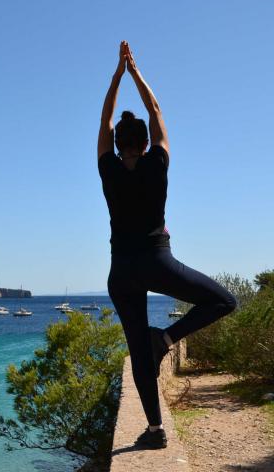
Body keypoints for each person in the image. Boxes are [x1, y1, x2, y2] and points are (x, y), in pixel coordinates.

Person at [97, 41, 237, 449]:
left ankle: (155, 430)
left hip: (121, 270)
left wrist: (115, 78)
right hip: (157, 261)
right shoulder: (158, 163)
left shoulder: (107, 168)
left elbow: (105, 120)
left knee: (138, 350)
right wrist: (135, 72)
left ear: (119, 143)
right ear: (144, 142)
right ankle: (168, 338)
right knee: (224, 301)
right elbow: (156, 113)